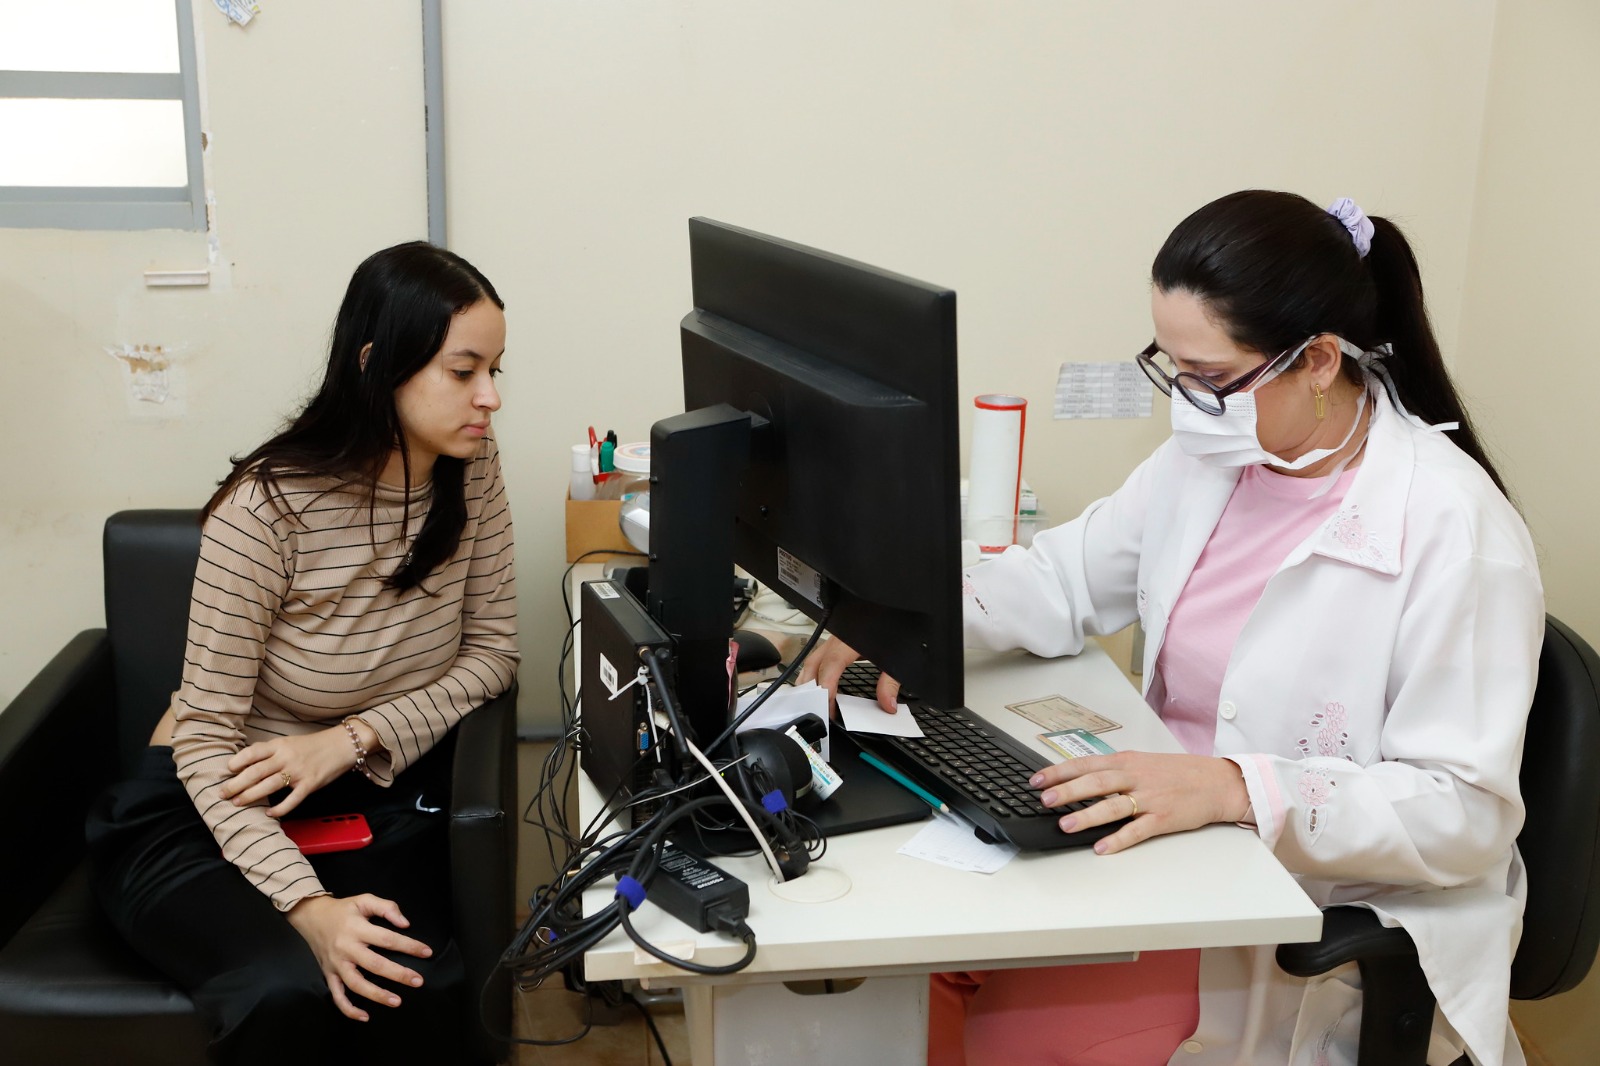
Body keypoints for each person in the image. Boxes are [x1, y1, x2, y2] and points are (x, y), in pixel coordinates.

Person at [805, 191, 1542, 1066]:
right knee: (929, 956)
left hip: (1294, 902)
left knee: (1002, 1027)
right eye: (1172, 366)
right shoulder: (1214, 457)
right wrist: (896, 609)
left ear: (1317, 360)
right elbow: (1062, 578)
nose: (1188, 404)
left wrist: (1237, 788)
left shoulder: (1456, 531)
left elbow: (1466, 811)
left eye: (1213, 377)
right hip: (1162, 848)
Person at [86, 241, 519, 1065]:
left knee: (413, 983)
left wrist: (349, 739)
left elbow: (492, 655)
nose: (489, 398)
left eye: (496, 370)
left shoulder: (472, 468)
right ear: (375, 363)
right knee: (285, 990)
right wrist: (306, 908)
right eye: (464, 372)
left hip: (364, 792)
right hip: (207, 804)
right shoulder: (266, 509)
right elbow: (208, 741)